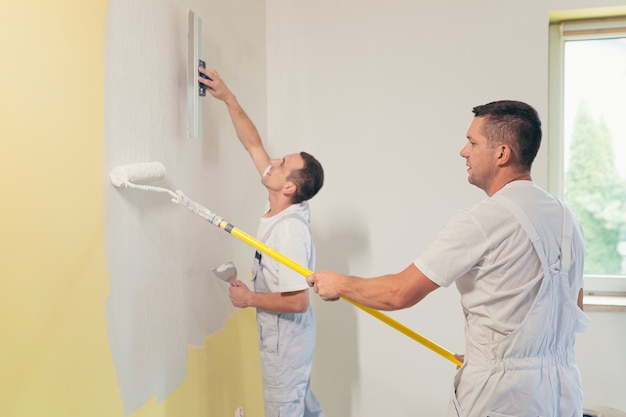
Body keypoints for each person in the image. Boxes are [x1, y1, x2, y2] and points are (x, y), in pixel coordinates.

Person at [306, 100, 590, 417]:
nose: (463, 152)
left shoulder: (483, 219)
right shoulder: (567, 219)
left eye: (472, 142)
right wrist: (502, 355)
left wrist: (339, 283)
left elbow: (398, 293)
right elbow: (570, 306)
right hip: (562, 391)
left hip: (503, 398)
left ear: (502, 154)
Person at [199, 67, 326, 417]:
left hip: (287, 347)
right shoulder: (281, 201)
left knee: (286, 408)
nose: (270, 162)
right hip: (288, 343)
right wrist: (228, 98)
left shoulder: (289, 231)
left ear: (290, 187)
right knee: (304, 408)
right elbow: (252, 143)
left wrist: (249, 298)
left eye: (281, 164)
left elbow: (299, 301)